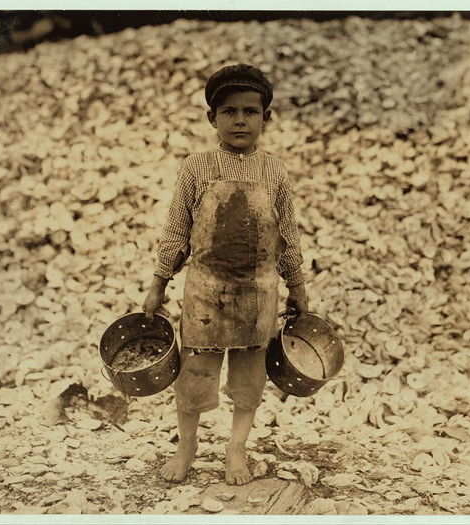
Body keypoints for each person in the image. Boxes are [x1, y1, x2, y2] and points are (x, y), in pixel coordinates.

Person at [142, 63, 308, 485]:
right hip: (205, 291)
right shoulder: (196, 167)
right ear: (211, 118)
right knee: (194, 375)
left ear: (266, 118)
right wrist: (158, 284)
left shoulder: (275, 171)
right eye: (229, 111)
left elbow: (288, 235)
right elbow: (177, 230)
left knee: (249, 379)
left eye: (250, 112)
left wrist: (299, 288)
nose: (240, 120)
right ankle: (187, 446)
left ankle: (236, 450)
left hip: (258, 293)